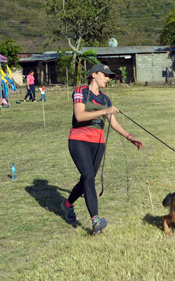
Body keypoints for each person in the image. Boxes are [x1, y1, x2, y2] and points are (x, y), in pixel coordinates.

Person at [62, 64, 142, 235]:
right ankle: (95, 220)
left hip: (98, 143)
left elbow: (112, 122)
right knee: (88, 177)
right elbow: (79, 115)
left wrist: (130, 137)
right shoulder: (81, 91)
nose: (107, 78)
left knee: (87, 180)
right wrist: (104, 111)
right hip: (79, 140)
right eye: (105, 75)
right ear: (93, 74)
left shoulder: (105, 99)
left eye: (109, 76)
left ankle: (67, 204)